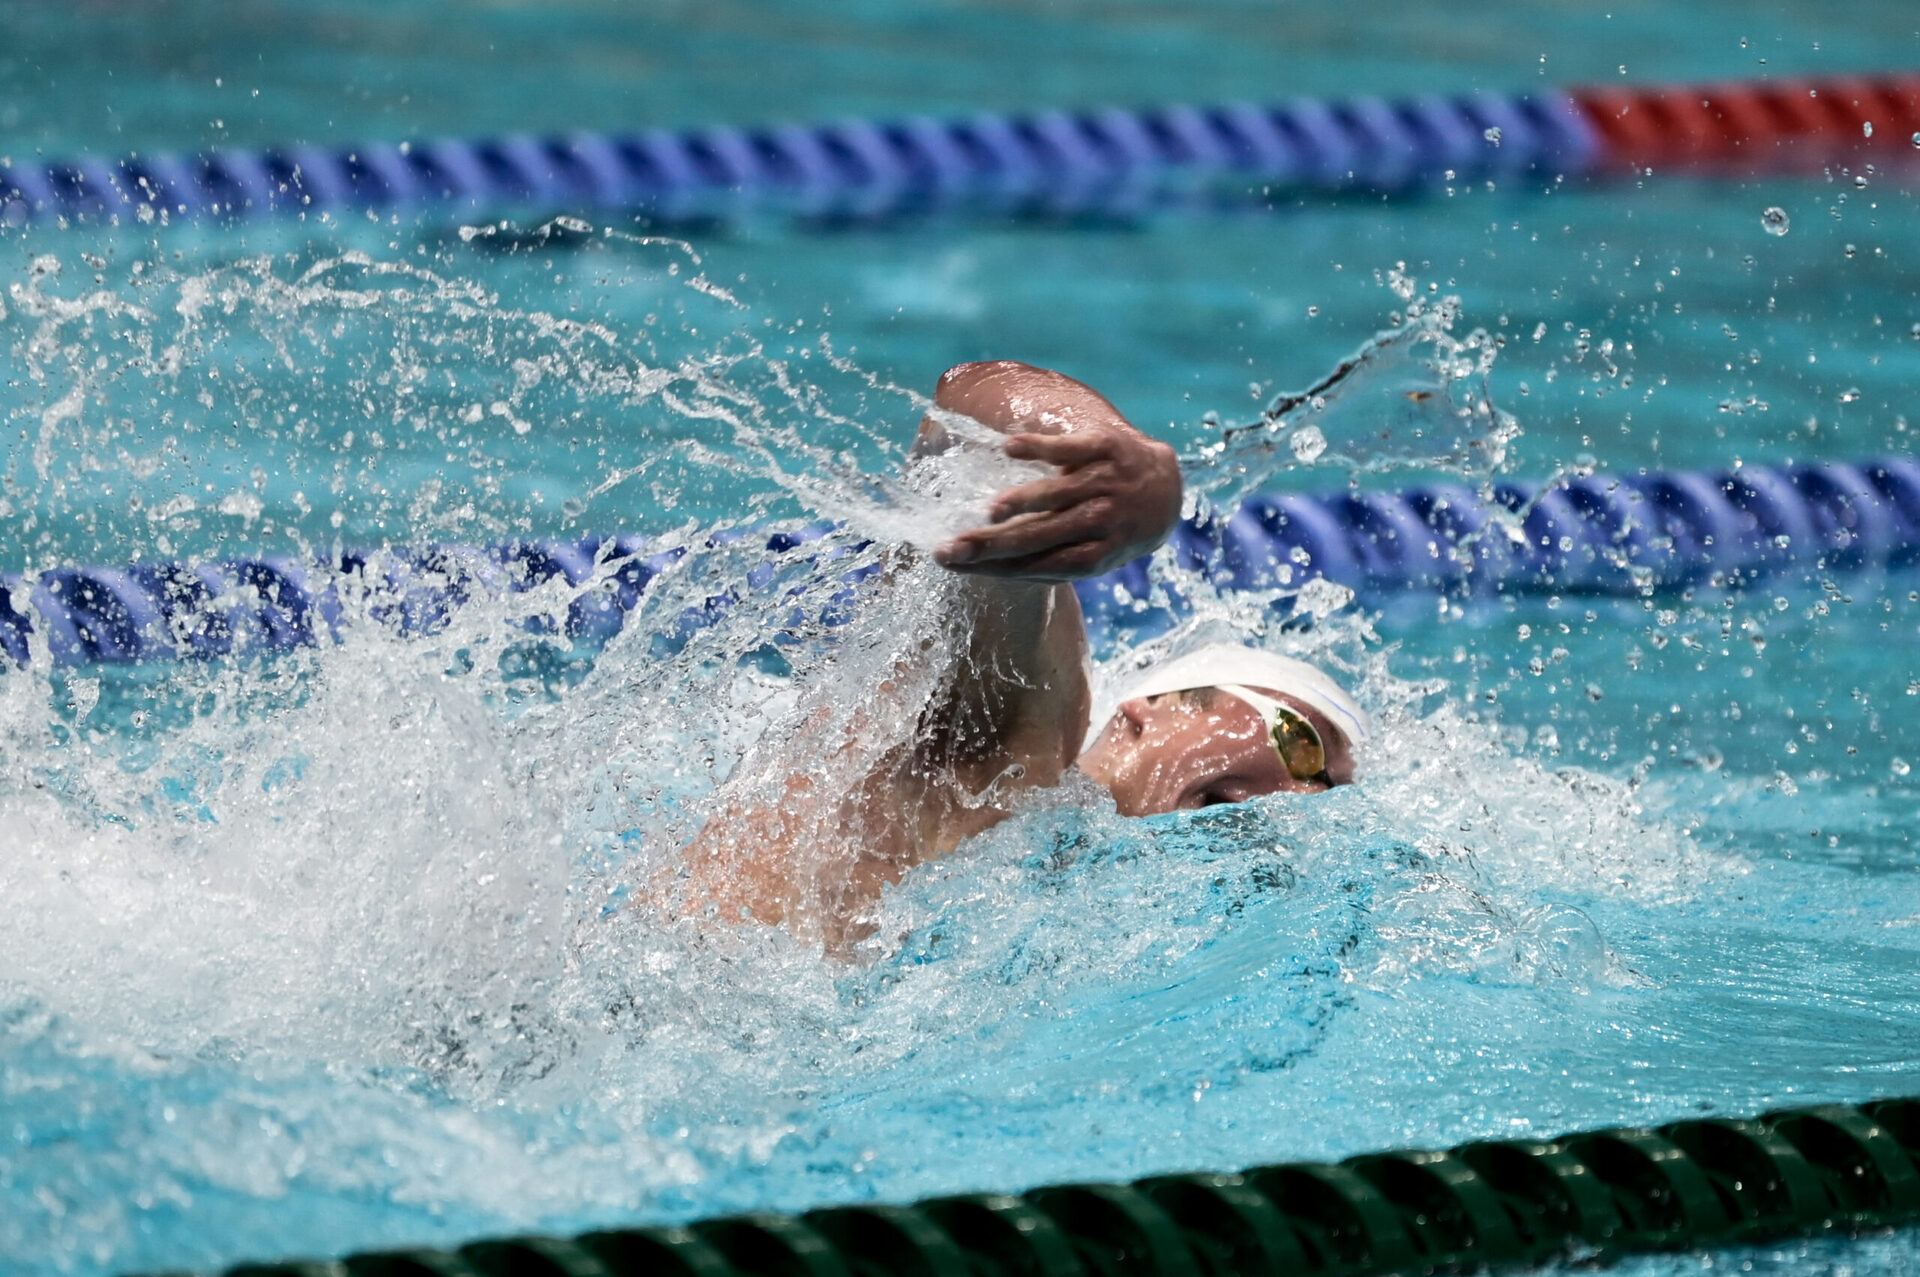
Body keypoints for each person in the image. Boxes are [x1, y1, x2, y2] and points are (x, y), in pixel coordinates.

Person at [678, 361, 1369, 948]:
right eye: (1300, 743)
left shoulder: (1069, 917)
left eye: (1329, 795)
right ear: (1149, 711)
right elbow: (959, 420)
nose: (1305, 800)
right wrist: (1109, 454)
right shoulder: (1015, 739)